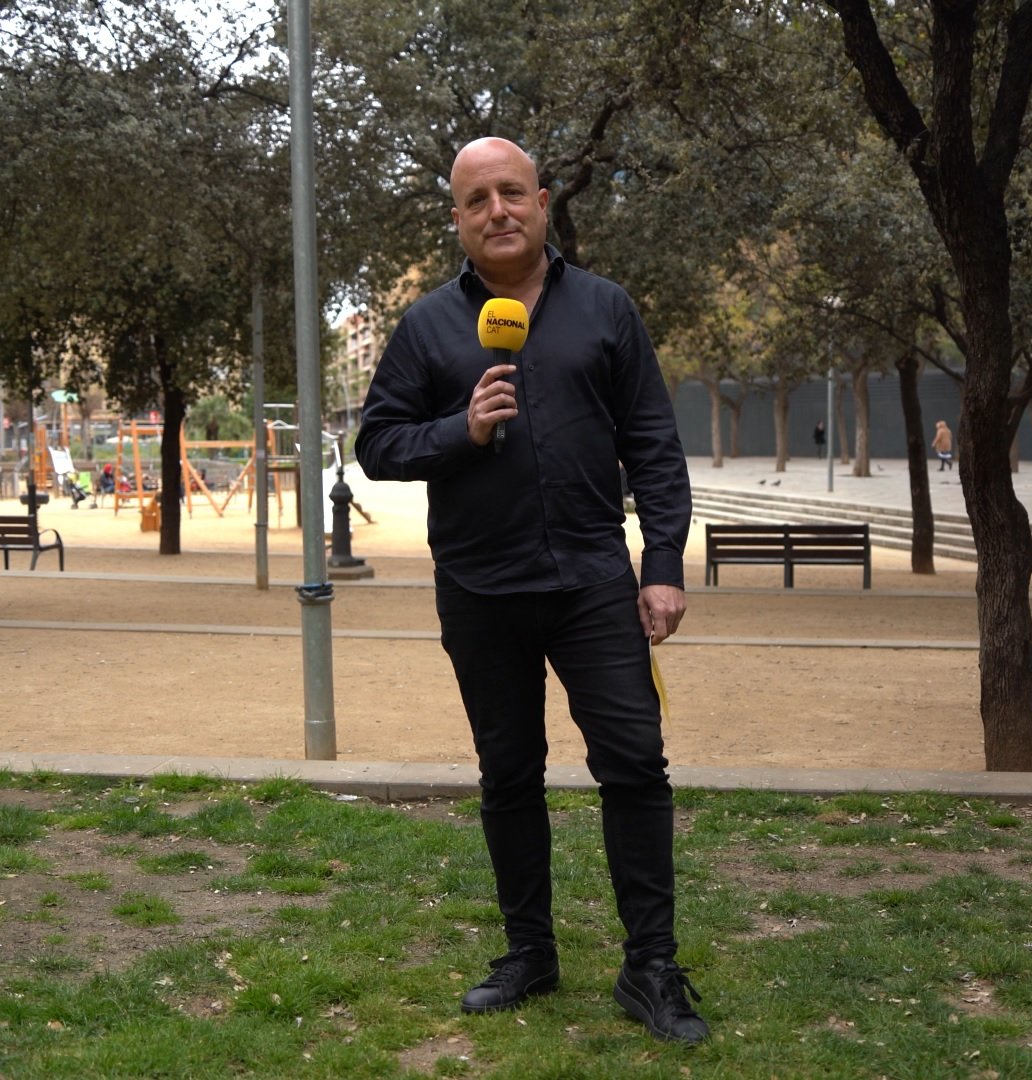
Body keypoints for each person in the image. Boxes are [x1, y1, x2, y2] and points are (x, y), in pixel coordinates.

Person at [355, 137, 706, 1045]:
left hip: (593, 579)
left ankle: (651, 967)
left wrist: (662, 566)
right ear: (459, 221)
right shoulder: (429, 325)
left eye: (512, 193)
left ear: (543, 203)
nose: (498, 211)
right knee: (508, 776)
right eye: (478, 200)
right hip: (480, 587)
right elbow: (379, 443)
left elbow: (655, 449)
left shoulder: (607, 310)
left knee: (634, 764)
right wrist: (457, 431)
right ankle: (529, 952)